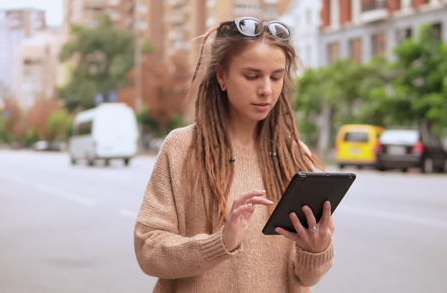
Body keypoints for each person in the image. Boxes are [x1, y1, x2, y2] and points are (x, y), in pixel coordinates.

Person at [134, 17, 335, 292]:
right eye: (252, 76)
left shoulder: (296, 155)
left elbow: (305, 279)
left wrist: (316, 250)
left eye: (276, 76)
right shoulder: (182, 148)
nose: (266, 89)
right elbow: (149, 250)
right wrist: (219, 244)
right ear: (222, 76)